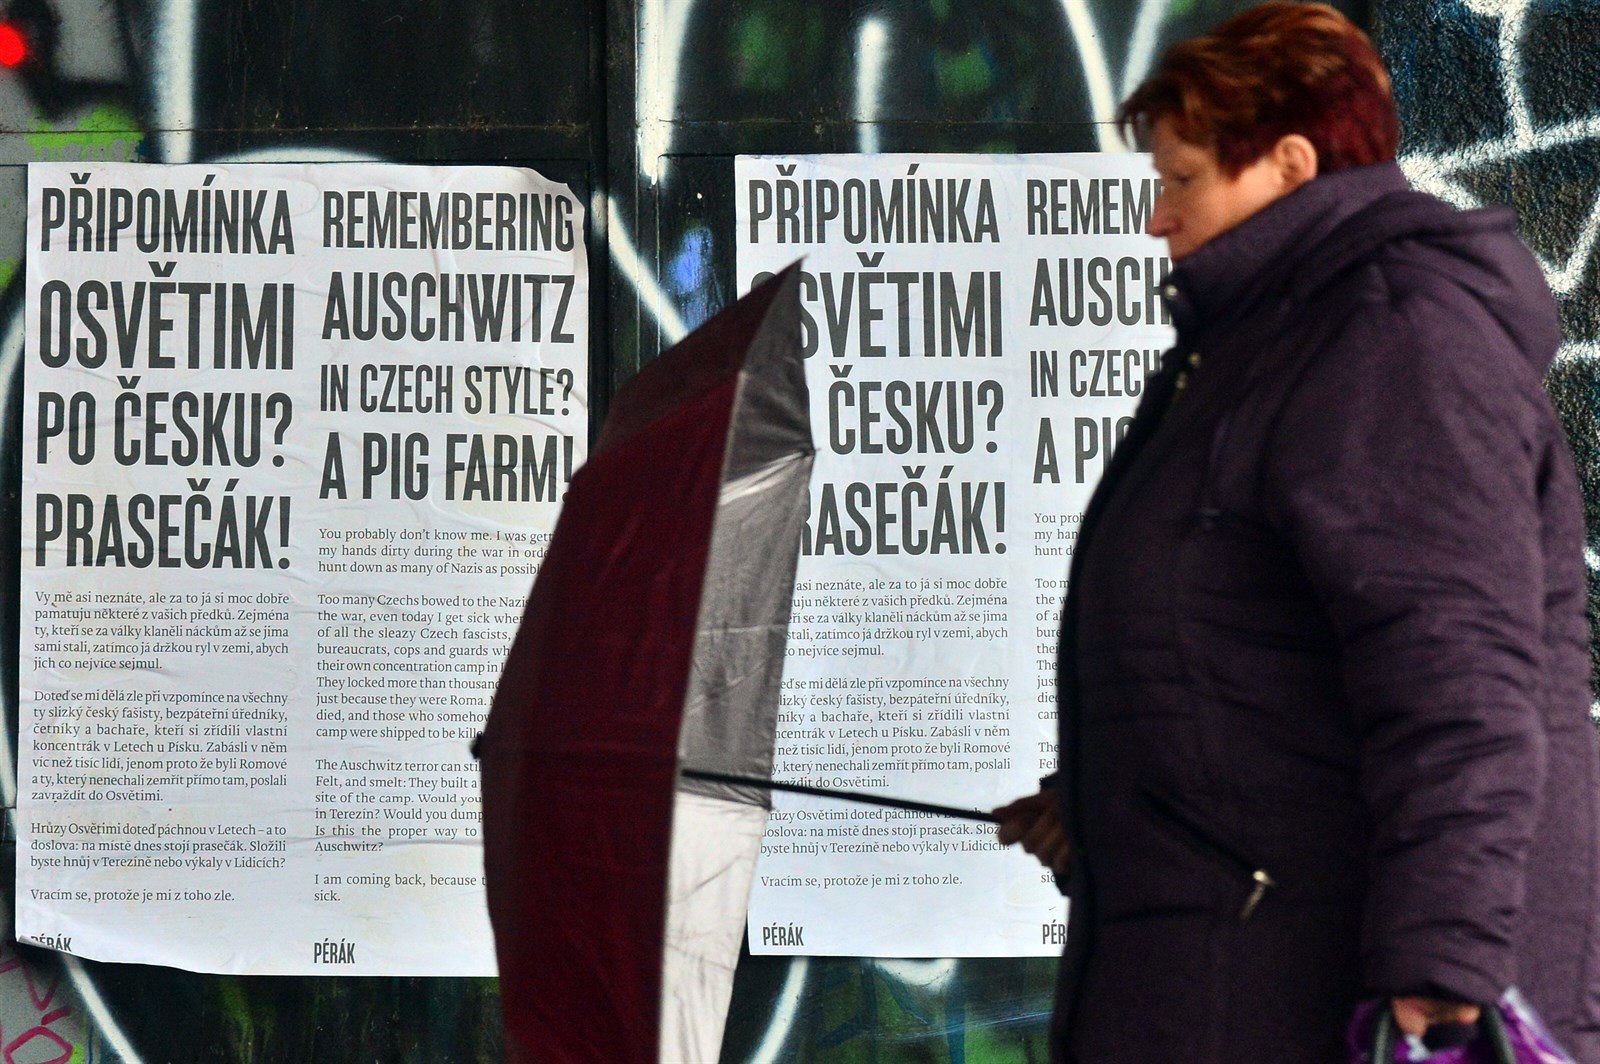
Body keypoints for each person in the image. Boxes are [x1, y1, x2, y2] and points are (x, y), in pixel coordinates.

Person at [994, 3, 1600, 1061]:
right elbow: (1250, 661)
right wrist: (1111, 800)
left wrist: (1441, 972)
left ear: (1287, 164)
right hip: (1235, 971)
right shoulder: (1262, 349)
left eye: (1181, 180)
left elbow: (1459, 690)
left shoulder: (1390, 340)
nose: (1157, 218)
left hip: (1324, 997)